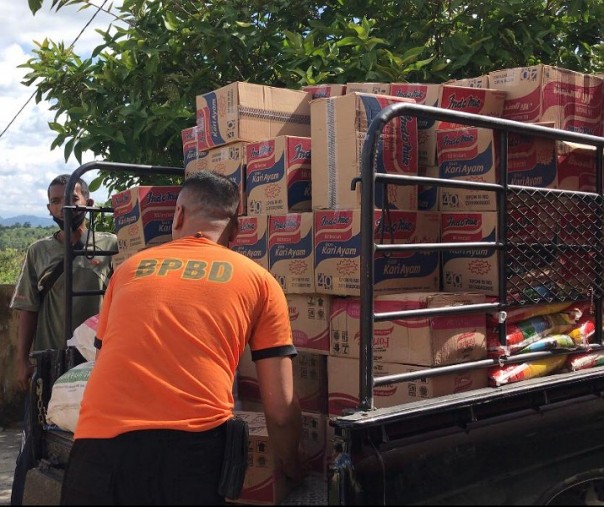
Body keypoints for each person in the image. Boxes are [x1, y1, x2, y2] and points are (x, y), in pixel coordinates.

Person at [60, 170, 305, 505]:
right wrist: (293, 468)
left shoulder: (129, 270)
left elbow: (104, 362)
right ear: (236, 228)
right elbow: (281, 410)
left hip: (99, 452)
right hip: (192, 457)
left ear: (179, 215)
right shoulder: (261, 282)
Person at [10, 173, 117, 506]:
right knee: (39, 439)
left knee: (91, 440)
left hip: (94, 361)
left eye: (72, 196)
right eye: (56, 200)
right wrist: (21, 359)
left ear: (89, 203)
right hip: (49, 359)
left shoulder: (109, 244)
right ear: (48, 208)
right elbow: (27, 307)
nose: (64, 205)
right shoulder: (39, 251)